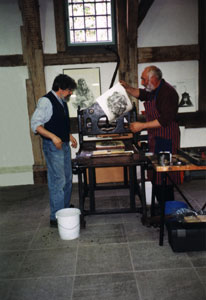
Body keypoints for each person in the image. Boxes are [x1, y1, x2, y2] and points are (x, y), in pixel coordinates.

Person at [120, 65, 180, 203]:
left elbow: (164, 120)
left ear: (153, 78)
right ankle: (160, 208)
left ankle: (167, 210)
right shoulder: (154, 90)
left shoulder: (168, 93)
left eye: (144, 79)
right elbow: (141, 94)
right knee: (155, 174)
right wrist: (127, 88)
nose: (142, 82)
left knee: (165, 176)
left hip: (166, 137)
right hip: (156, 137)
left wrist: (142, 126)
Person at [31, 74, 78, 227]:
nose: (71, 93)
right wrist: (53, 137)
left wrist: (69, 136)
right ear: (61, 88)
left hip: (63, 144)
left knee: (67, 179)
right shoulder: (46, 101)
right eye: (69, 90)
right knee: (58, 181)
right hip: (53, 147)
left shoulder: (61, 101)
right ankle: (56, 217)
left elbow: (57, 122)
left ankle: (63, 209)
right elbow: (36, 125)